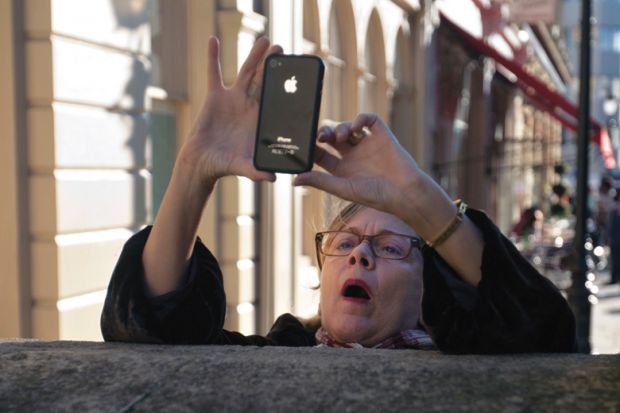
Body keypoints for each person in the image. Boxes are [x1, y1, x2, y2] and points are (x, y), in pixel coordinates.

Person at [101, 37, 576, 353]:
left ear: (431, 292)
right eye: (343, 243)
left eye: (391, 247)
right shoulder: (278, 356)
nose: (360, 256)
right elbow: (145, 329)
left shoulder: (469, 365)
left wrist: (417, 198)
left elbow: (543, 329)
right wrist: (192, 171)